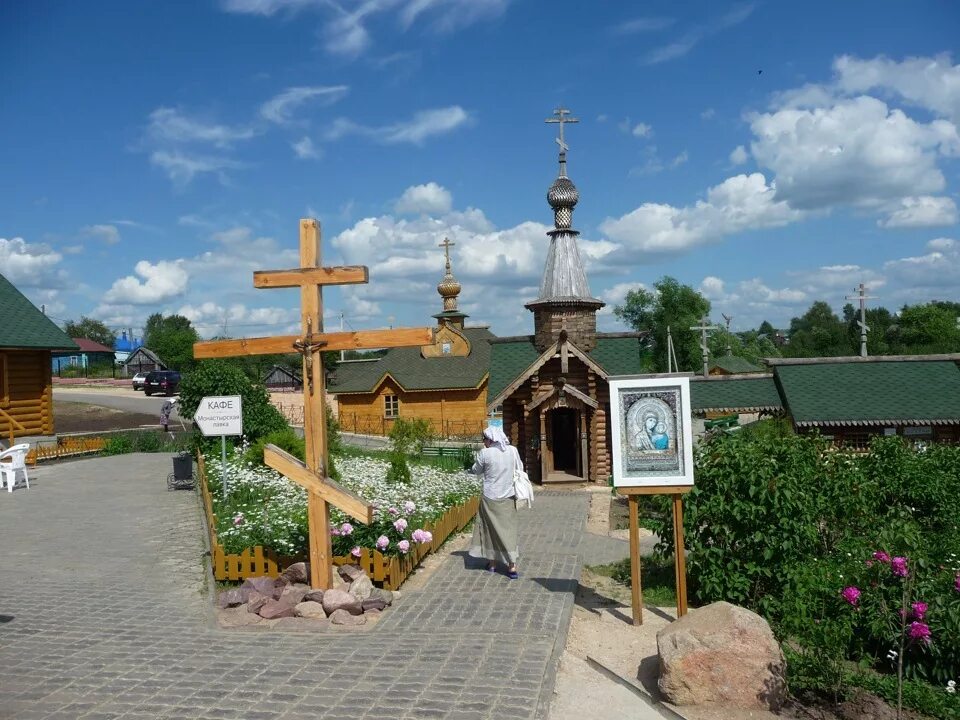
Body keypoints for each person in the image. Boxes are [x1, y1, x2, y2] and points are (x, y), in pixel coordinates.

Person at [468, 426, 522, 579]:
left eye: (484, 439)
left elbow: (476, 470)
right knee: (509, 530)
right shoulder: (512, 450)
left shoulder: (485, 453)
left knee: (489, 530)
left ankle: (492, 564)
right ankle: (512, 566)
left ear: (490, 439)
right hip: (508, 497)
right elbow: (520, 468)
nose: (483, 442)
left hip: (490, 498)